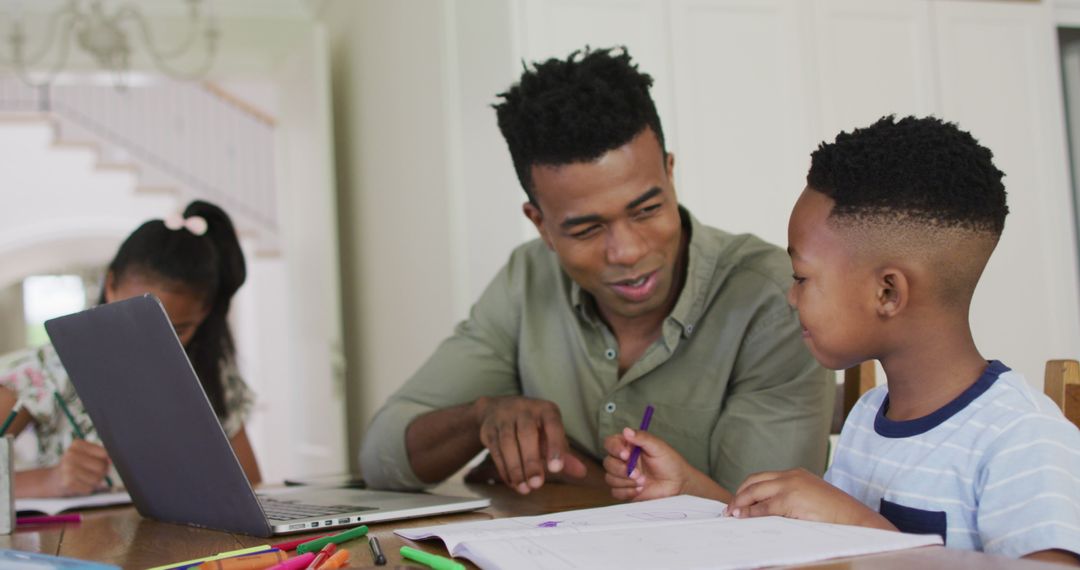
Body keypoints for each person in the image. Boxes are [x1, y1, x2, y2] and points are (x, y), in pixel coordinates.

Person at [602, 116, 1080, 564]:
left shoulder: (1020, 440)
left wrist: (860, 525)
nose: (790, 298)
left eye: (801, 277)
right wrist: (692, 488)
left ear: (887, 292)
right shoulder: (867, 419)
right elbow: (817, 538)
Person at [360, 47, 832, 497]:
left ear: (670, 174)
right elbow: (381, 457)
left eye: (646, 210)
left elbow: (765, 522)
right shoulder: (527, 280)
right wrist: (482, 417)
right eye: (586, 229)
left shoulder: (774, 297)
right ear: (539, 223)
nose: (626, 251)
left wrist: (581, 478)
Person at [0, 200, 261, 498]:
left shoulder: (212, 374)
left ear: (204, 315)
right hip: (77, 542)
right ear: (110, 285)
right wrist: (51, 480)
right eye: (135, 317)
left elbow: (251, 487)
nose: (151, 341)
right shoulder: (45, 370)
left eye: (177, 330)